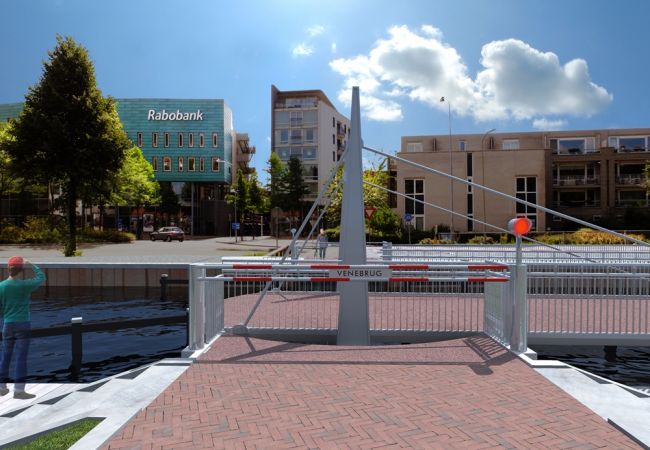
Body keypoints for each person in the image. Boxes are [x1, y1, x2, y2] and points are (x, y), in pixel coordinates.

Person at [0, 256, 46, 399]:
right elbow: (41, 277)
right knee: (21, 357)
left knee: (5, 356)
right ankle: (19, 390)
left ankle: (1, 387)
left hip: (7, 324)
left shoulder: (1, 286)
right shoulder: (25, 285)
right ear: (21, 270)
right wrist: (32, 264)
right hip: (23, 323)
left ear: (8, 269)